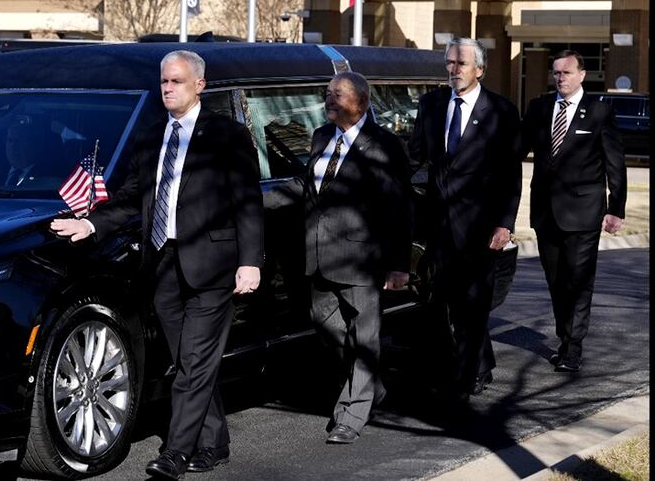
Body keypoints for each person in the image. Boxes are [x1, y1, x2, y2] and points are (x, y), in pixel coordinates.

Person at [51, 50, 263, 479]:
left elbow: (248, 202)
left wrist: (250, 262)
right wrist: (90, 224)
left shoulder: (226, 134)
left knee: (194, 364)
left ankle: (176, 454)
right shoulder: (151, 138)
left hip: (213, 266)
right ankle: (215, 442)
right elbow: (130, 199)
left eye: (176, 82)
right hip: (163, 264)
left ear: (199, 85)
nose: (167, 88)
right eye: (164, 82)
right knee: (189, 360)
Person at [265, 72, 411, 444]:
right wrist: (258, 202)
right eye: (327, 94)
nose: (329, 100)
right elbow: (306, 184)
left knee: (365, 338)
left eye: (337, 95)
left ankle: (351, 414)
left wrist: (398, 264)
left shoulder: (384, 146)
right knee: (325, 323)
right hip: (320, 257)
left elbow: (398, 207)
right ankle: (372, 387)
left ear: (360, 102)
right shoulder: (320, 138)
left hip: (362, 258)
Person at [408, 37, 522, 400]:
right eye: (449, 63)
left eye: (461, 64)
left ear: (480, 70)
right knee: (447, 301)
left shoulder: (501, 112)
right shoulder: (431, 104)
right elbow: (416, 157)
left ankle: (469, 372)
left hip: (481, 225)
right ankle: (480, 362)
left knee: (474, 300)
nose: (453, 70)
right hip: (439, 224)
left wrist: (505, 223)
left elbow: (510, 174)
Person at [521, 50, 626, 373]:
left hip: (583, 212)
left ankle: (573, 346)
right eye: (555, 73)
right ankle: (564, 337)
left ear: (582, 75)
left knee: (578, 280)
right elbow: (517, 148)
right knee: (556, 280)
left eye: (566, 72)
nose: (560, 78)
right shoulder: (539, 108)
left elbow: (615, 164)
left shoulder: (599, 112)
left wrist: (615, 209)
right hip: (545, 212)